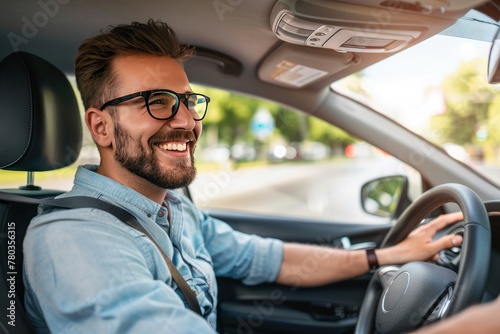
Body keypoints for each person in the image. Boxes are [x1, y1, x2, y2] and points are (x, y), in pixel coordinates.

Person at [22, 19, 464, 333]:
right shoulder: (71, 238)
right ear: (101, 127)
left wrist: (384, 256)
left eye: (189, 101)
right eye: (157, 101)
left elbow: (270, 259)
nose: (186, 122)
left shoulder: (175, 212)